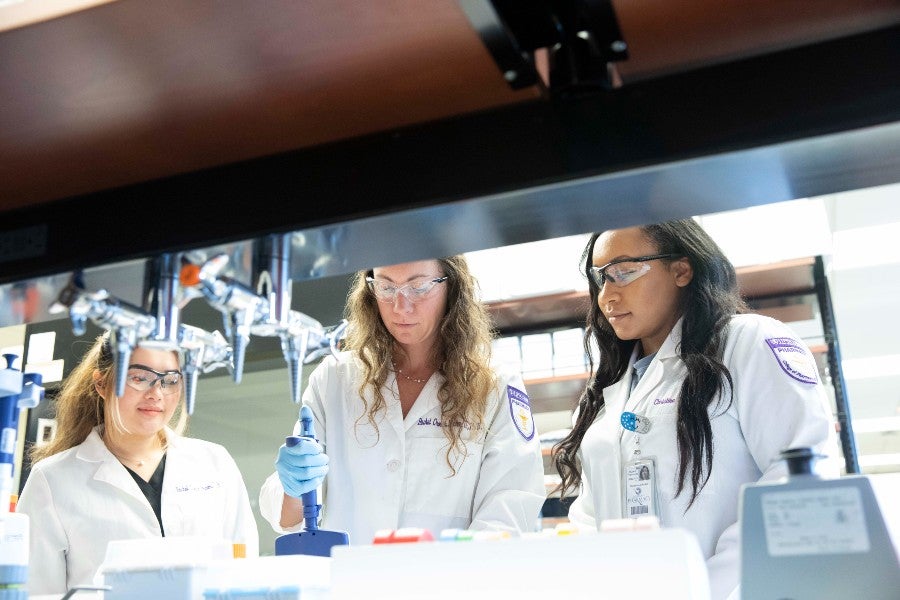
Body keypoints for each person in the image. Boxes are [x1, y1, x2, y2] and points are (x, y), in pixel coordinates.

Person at [552, 220, 838, 600]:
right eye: (600, 278)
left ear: (681, 270)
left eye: (622, 273)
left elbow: (797, 482)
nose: (607, 296)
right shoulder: (610, 391)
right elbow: (590, 516)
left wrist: (708, 588)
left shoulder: (747, 342)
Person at [259, 257, 545, 544]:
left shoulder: (494, 385)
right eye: (385, 287)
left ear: (452, 286)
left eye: (418, 287)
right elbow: (286, 516)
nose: (400, 306)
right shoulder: (335, 378)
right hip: (351, 582)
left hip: (447, 582)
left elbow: (510, 505)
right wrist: (294, 486)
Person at [17, 333, 259, 596]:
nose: (156, 393)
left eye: (170, 380)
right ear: (101, 384)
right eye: (139, 378)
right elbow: (34, 593)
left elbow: (244, 574)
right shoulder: (53, 480)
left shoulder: (214, 463)